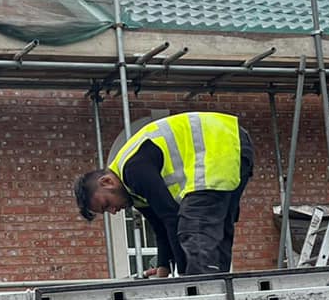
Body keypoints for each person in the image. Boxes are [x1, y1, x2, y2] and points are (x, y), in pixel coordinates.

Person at [74, 112, 254, 276]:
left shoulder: (133, 170)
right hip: (234, 144)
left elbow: (171, 217)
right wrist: (164, 267)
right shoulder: (133, 192)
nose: (113, 211)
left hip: (217, 143)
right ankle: (219, 283)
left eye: (107, 204)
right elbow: (160, 228)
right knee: (218, 228)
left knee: (194, 225)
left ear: (107, 182)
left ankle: (200, 287)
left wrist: (184, 277)